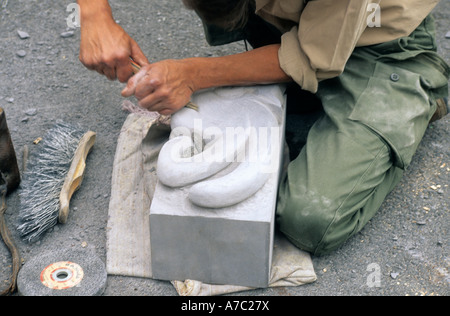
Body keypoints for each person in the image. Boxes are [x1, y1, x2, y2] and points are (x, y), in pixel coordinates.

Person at [76, 0, 449, 255]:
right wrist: (95, 15)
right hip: (292, 20)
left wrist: (193, 74)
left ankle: (413, 96)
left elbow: (306, 54)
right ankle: (293, 78)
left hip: (376, 42)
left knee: (311, 221)